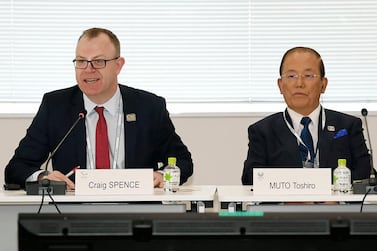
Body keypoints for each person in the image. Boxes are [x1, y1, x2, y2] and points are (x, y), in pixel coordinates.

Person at [5, 27, 193, 190]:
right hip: (73, 215)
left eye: (98, 61)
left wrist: (162, 176)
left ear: (118, 65)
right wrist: (43, 177)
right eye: (81, 61)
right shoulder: (55, 106)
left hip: (136, 213)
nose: (88, 69)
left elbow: (182, 162)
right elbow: (17, 168)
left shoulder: (149, 107)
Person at [241, 46, 370, 185]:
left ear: (323, 84)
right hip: (282, 206)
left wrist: (332, 194)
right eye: (291, 76)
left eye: (308, 76)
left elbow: (365, 174)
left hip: (335, 205)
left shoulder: (348, 126)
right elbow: (250, 178)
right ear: (280, 85)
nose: (299, 83)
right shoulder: (262, 131)